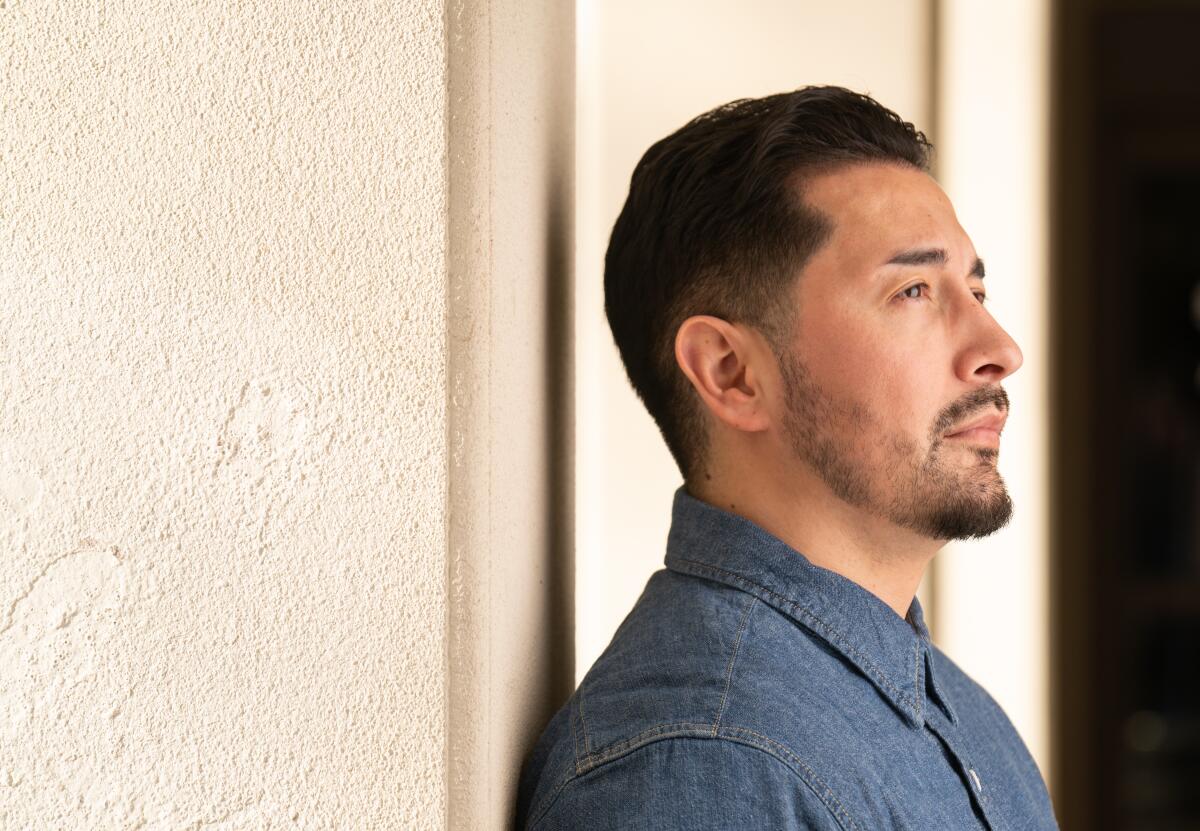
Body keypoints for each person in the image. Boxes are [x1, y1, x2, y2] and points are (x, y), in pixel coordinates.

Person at [516, 86, 1059, 830]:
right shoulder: (706, 763)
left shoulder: (958, 717)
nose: (1000, 350)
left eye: (975, 288)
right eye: (912, 291)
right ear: (732, 372)